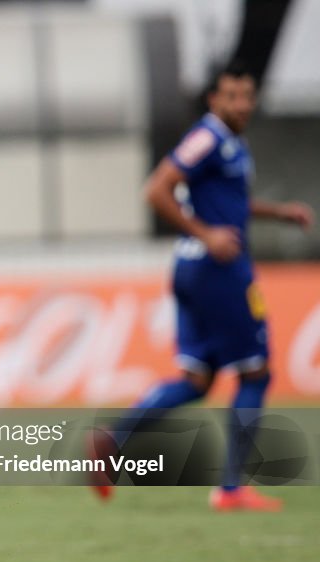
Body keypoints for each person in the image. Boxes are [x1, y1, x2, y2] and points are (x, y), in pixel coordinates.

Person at [92, 63, 314, 510]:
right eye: (231, 96)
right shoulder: (208, 137)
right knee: (256, 372)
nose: (241, 104)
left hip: (192, 270)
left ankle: (113, 439)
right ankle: (231, 489)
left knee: (196, 380)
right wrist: (206, 234)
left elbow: (227, 201)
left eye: (247, 95)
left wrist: (276, 212)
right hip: (218, 270)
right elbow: (157, 189)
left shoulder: (230, 143)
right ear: (214, 100)